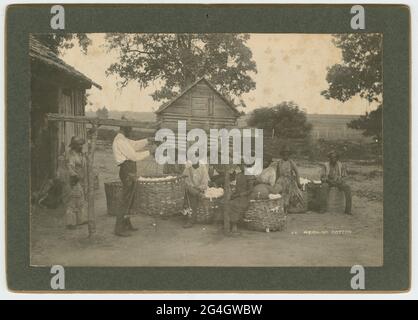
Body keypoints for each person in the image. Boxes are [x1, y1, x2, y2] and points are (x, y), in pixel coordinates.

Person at [112, 125, 156, 237]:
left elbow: (134, 145)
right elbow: (134, 156)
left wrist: (147, 140)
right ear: (124, 129)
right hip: (126, 170)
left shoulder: (123, 139)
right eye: (130, 131)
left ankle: (126, 224)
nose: (131, 133)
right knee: (125, 199)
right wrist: (149, 152)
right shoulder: (120, 140)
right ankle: (119, 228)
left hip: (130, 169)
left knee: (130, 199)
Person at [223, 163, 253, 236]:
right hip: (238, 195)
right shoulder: (239, 175)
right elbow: (236, 187)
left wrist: (239, 195)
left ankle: (234, 225)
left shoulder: (250, 176)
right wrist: (233, 194)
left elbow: (250, 190)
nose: (242, 167)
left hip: (246, 196)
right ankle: (228, 224)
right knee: (226, 202)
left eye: (244, 165)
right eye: (241, 165)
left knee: (234, 204)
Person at [65, 136, 88, 229]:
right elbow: (70, 168)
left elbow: (84, 165)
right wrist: (75, 177)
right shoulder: (71, 155)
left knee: (81, 199)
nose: (81, 146)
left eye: (82, 144)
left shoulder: (81, 154)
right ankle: (70, 223)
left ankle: (81, 219)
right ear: (74, 145)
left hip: (81, 179)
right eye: (79, 144)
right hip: (73, 180)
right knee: (73, 200)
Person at [275, 145, 303, 213]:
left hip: (289, 180)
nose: (285, 155)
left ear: (289, 155)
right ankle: (280, 206)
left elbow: (297, 172)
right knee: (277, 191)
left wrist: (298, 182)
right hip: (281, 180)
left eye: (287, 153)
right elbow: (277, 173)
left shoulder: (291, 162)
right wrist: (276, 182)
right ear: (282, 154)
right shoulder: (279, 162)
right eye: (284, 153)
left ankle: (287, 207)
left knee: (288, 192)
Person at [183, 161, 209, 228]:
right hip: (191, 190)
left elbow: (205, 183)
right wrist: (193, 188)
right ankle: (198, 194)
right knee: (189, 189)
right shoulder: (188, 168)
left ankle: (191, 220)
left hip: (200, 189)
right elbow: (185, 180)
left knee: (193, 194)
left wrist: (198, 188)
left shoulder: (203, 167)